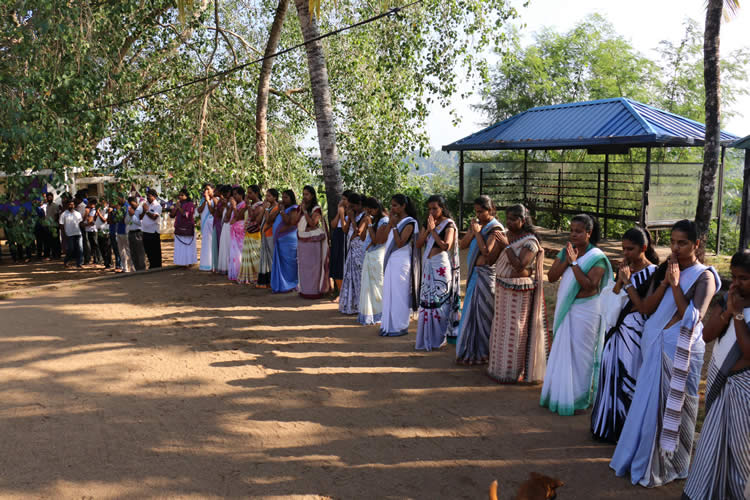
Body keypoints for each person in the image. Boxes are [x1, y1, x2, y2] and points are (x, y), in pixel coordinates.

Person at [611, 220, 719, 487]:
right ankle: (643, 458)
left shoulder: (705, 276)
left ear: (696, 244)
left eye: (682, 243)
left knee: (678, 407)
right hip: (655, 345)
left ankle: (674, 464)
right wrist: (636, 284)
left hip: (679, 352)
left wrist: (675, 285)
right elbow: (647, 308)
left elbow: (691, 318)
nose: (676, 247)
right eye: (672, 242)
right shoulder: (666, 270)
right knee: (648, 408)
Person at [683, 249, 750, 500]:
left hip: (744, 388)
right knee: (712, 447)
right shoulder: (729, 298)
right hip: (722, 383)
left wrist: (739, 314)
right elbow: (707, 335)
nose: (736, 283)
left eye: (743, 278)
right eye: (734, 277)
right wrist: (728, 311)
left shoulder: (740, 305)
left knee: (740, 452)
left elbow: (748, 352)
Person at [591, 227, 658, 442]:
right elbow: (609, 305)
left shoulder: (654, 273)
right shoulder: (624, 271)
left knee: (630, 378)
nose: (626, 253)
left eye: (631, 249)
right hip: (616, 332)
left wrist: (627, 283)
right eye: (624, 249)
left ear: (644, 248)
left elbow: (645, 307)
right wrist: (620, 280)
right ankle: (606, 426)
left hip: (636, 334)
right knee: (610, 374)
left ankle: (626, 431)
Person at [541, 214, 611, 415]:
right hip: (567, 309)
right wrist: (567, 260)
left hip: (586, 311)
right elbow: (552, 277)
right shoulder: (567, 251)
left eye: (578, 231)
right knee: (563, 351)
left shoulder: (597, 257)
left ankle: (579, 398)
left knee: (582, 354)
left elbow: (590, 286)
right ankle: (560, 394)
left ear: (588, 233)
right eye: (571, 230)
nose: (573, 234)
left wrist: (574, 264)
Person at [487, 204, 548, 382]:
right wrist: (496, 245)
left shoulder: (530, 241)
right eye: (508, 219)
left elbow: (520, 265)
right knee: (500, 328)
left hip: (518, 291)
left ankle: (512, 373)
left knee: (515, 329)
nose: (510, 222)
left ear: (522, 220)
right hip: (502, 286)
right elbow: (491, 260)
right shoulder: (506, 235)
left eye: (514, 219)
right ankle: (497, 369)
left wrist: (506, 246)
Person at [455, 196, 504, 363]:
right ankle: (470, 349)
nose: (478, 214)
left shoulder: (495, 228)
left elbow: (487, 252)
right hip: (475, 274)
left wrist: (477, 232)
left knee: (483, 315)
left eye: (481, 211)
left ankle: (483, 352)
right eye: (476, 211)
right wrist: (472, 230)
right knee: (470, 312)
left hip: (486, 275)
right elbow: (463, 245)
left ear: (490, 210)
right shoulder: (478, 225)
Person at [415, 195, 460, 351]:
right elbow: (419, 244)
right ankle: (428, 337)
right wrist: (427, 229)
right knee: (428, 301)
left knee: (441, 301)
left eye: (435, 208)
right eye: (429, 209)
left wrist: (434, 231)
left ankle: (442, 337)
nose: (432, 211)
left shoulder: (449, 225)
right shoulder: (427, 223)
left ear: (442, 208)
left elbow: (446, 245)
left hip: (441, 267)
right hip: (428, 266)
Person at [380, 194, 419, 337]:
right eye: (391, 205)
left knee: (399, 294)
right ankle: (389, 326)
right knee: (390, 292)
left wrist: (395, 226)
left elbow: (401, 242)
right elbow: (383, 239)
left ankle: (399, 326)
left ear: (404, 206)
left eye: (395, 205)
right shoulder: (395, 221)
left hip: (402, 261)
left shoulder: (410, 222)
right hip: (392, 260)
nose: (392, 208)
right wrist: (390, 223)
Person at [358, 197, 389, 325]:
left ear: (376, 209)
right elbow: (363, 236)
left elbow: (377, 240)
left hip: (377, 256)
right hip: (370, 254)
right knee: (368, 286)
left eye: (369, 209)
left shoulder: (384, 220)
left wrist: (369, 223)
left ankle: (380, 313)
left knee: (377, 285)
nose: (368, 212)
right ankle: (369, 313)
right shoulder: (375, 220)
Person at [297, 185, 330, 298]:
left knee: (313, 267)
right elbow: (294, 222)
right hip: (302, 240)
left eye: (307, 194)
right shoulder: (301, 207)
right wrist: (300, 210)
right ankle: (304, 290)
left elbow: (312, 223)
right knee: (303, 266)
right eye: (303, 194)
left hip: (312, 241)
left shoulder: (316, 209)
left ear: (312, 196)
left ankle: (314, 291)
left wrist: (305, 211)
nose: (304, 197)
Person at [339, 193, 367, 314]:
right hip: (350, 248)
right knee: (350, 275)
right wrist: (347, 217)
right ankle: (351, 303)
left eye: (353, 206)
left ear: (359, 204)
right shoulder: (352, 215)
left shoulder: (365, 216)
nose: (352, 209)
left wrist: (353, 220)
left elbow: (359, 232)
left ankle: (361, 304)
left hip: (360, 250)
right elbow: (345, 230)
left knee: (359, 276)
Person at [271, 189, 300, 293]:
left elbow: (290, 222)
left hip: (289, 241)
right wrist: (278, 209)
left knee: (290, 264)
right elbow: (270, 219)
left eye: (286, 197)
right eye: (282, 197)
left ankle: (291, 284)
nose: (283, 199)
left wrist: (282, 211)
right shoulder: (282, 208)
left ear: (291, 198)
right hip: (280, 240)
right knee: (282, 264)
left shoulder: (294, 209)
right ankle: (282, 284)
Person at [238, 185, 264, 284]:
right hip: (248, 233)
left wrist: (248, 205)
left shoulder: (260, 206)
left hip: (255, 235)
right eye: (247, 193)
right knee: (249, 256)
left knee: (255, 256)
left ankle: (257, 276)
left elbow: (252, 217)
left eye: (250, 193)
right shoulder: (252, 204)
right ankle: (250, 277)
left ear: (256, 193)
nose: (248, 195)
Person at [330, 190, 352, 298]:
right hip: (337, 237)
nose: (342, 201)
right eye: (342, 199)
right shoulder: (341, 211)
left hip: (345, 238)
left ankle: (345, 293)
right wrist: (339, 213)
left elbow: (345, 229)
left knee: (343, 264)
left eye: (344, 199)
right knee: (336, 264)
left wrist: (343, 215)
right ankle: (340, 292)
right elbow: (333, 225)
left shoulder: (351, 212)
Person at [257, 189, 279, 288]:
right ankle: (265, 281)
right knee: (265, 258)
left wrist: (266, 209)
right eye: (266, 196)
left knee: (271, 258)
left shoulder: (276, 208)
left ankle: (273, 280)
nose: (267, 198)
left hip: (271, 235)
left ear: (275, 197)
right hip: (265, 235)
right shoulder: (269, 207)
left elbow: (269, 220)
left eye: (269, 196)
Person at [171, 188, 197, 267]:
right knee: (180, 247)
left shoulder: (190, 204)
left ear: (186, 196)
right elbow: (172, 215)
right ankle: (181, 262)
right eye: (179, 195)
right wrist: (176, 207)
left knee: (188, 246)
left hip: (187, 227)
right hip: (179, 227)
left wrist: (179, 207)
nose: (180, 196)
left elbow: (186, 215)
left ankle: (189, 262)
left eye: (182, 195)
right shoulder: (178, 204)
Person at [227, 186, 247, 281]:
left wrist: (234, 207)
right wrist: (232, 207)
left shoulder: (243, 205)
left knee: (240, 253)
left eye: (236, 194)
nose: (234, 196)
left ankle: (240, 272)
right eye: (233, 194)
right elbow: (227, 218)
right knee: (234, 253)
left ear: (241, 195)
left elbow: (238, 216)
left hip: (240, 231)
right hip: (233, 231)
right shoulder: (235, 204)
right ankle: (235, 273)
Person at [141, 190, 162, 269]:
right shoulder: (146, 204)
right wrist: (144, 210)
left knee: (155, 251)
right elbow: (141, 216)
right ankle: (152, 265)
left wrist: (146, 210)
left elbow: (154, 217)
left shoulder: (157, 206)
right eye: (147, 196)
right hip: (145, 231)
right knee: (148, 250)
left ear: (154, 196)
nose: (147, 197)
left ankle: (157, 266)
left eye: (149, 196)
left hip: (153, 232)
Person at [59, 199, 83, 268]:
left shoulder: (77, 213)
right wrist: (64, 234)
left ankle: (79, 263)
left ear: (74, 205)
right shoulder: (64, 214)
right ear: (67, 205)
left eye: (72, 204)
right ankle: (66, 261)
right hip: (69, 234)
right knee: (70, 249)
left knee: (80, 249)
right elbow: (61, 225)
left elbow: (80, 223)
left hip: (78, 233)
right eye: (70, 204)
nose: (71, 206)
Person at [197, 183, 216, 272]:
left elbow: (213, 212)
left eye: (208, 189)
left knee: (211, 244)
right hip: (205, 225)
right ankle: (205, 264)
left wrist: (208, 201)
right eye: (205, 189)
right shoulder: (202, 200)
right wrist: (205, 201)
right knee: (205, 244)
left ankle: (212, 264)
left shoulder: (215, 200)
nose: (206, 191)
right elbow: (199, 210)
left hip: (212, 225)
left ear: (213, 190)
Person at [126, 196, 147, 271]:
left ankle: (142, 269)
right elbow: (126, 221)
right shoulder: (130, 210)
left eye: (132, 204)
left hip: (138, 233)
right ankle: (136, 269)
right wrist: (129, 215)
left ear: (136, 202)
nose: (131, 205)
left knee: (140, 253)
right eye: (129, 204)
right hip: (130, 233)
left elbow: (141, 223)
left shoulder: (141, 210)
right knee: (133, 252)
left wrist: (133, 215)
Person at [217, 186, 232, 274]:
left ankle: (229, 266)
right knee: (224, 245)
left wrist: (226, 206)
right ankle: (225, 267)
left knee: (228, 246)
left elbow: (227, 217)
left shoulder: (231, 203)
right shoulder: (226, 202)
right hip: (225, 226)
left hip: (229, 226)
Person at [212, 185, 227, 272]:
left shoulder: (221, 201)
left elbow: (220, 213)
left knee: (219, 243)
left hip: (220, 224)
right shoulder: (219, 201)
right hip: (217, 223)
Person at [43, 192, 61, 259]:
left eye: (50, 197)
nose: (49, 198)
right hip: (48, 226)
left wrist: (54, 224)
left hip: (54, 225)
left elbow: (56, 216)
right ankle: (53, 254)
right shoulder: (47, 206)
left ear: (52, 198)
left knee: (56, 241)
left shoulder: (55, 205)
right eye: (48, 197)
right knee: (50, 241)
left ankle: (57, 254)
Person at [95, 198, 112, 269]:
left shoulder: (107, 210)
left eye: (102, 202)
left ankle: (109, 262)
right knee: (101, 248)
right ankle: (105, 262)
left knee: (106, 248)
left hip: (105, 231)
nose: (101, 204)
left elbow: (104, 220)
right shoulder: (99, 210)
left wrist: (98, 213)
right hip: (99, 231)